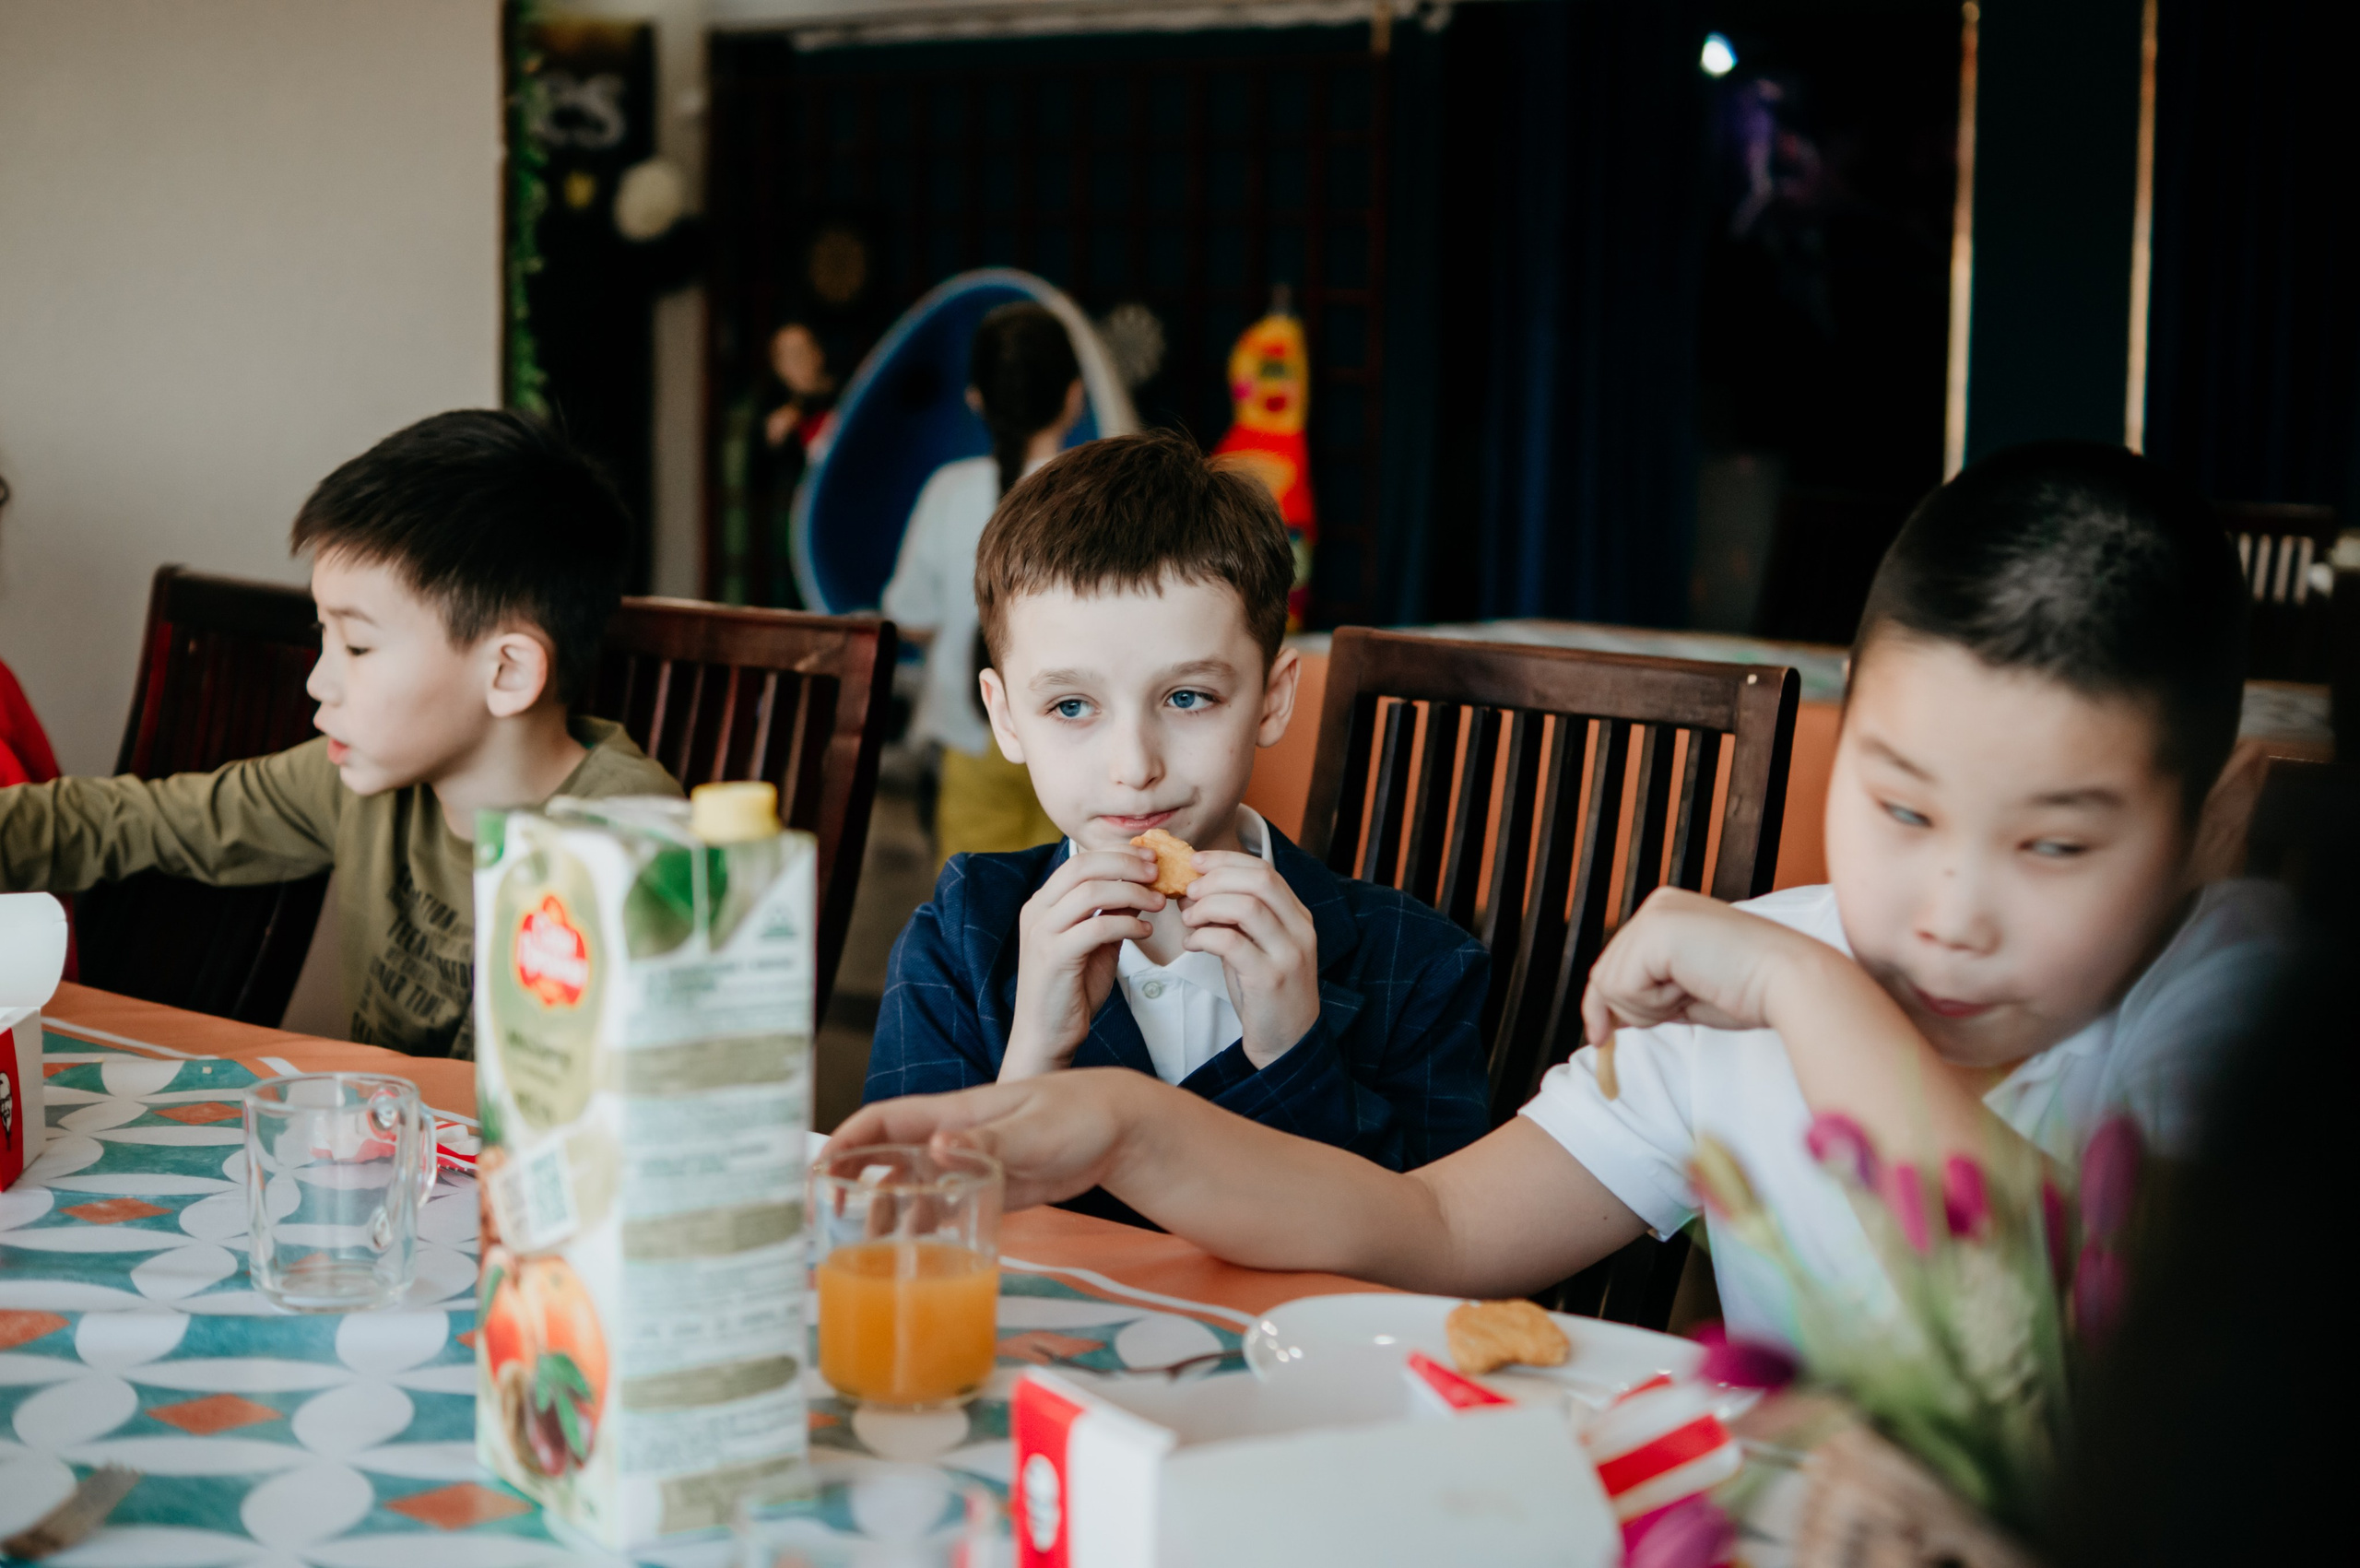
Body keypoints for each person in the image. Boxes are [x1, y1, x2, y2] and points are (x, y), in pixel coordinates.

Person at [840, 441, 2282, 1338]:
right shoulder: (1739, 998)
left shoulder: (2256, 1003)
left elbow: (2091, 1325)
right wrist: (1115, 1116)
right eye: (1901, 807)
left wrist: (1811, 992)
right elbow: (1437, 1232)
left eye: (2054, 847)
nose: (1953, 909)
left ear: (2214, 820)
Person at [862, 429, 1492, 1196]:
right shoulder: (959, 940)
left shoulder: (1421, 967)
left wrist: (1295, 1054)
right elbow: (899, 1225)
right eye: (1071, 705)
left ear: (1273, 698)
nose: (1134, 768)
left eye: (1187, 696)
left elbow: (1432, 1245)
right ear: (1006, 718)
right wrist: (1034, 1058)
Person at [0, 411, 679, 1058]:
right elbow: (139, 821)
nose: (318, 682)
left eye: (357, 645)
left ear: (507, 672)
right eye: (322, 634)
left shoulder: (637, 842)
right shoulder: (353, 781)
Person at [882, 301, 1087, 865]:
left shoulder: (948, 492)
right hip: (1080, 739)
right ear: (1074, 396)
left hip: (974, 732)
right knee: (1075, 891)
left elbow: (912, 621)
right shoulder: (1099, 493)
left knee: (975, 902)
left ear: (976, 399)